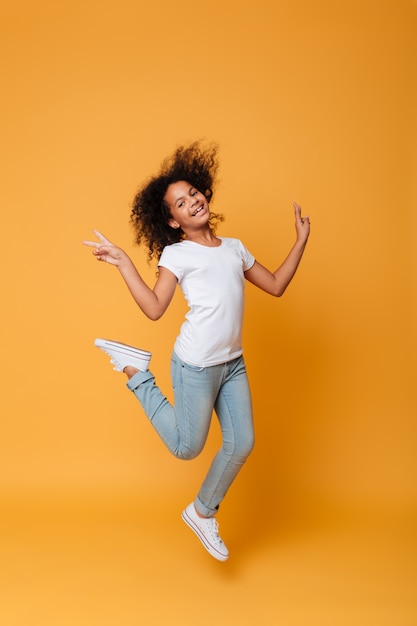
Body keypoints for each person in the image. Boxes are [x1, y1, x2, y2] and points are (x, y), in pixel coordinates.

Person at [83, 141, 310, 561]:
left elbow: (276, 285)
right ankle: (137, 372)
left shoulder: (234, 248)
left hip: (232, 363)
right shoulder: (178, 254)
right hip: (195, 365)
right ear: (171, 220)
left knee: (242, 443)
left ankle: (202, 512)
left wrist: (300, 241)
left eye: (194, 194)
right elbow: (154, 308)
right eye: (181, 203)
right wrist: (123, 262)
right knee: (188, 448)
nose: (193, 202)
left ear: (205, 194)